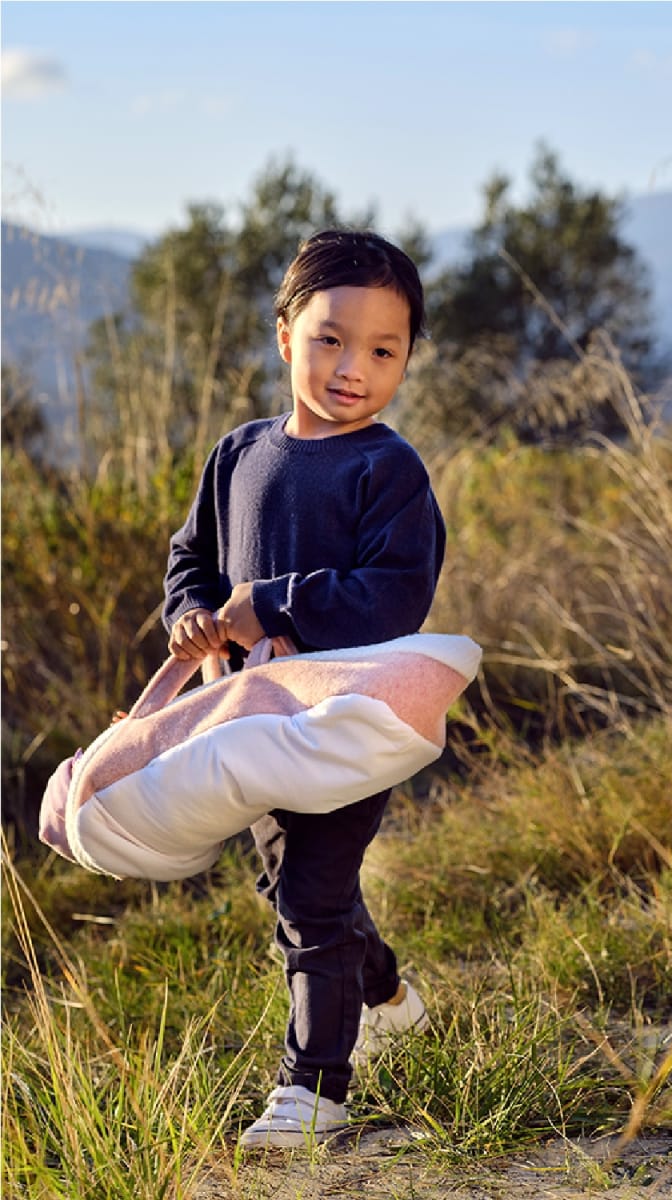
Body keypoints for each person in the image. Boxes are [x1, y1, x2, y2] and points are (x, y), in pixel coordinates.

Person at [162, 229, 447, 1148]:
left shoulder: (389, 470)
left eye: (382, 349)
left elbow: (395, 594)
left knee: (308, 899)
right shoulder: (239, 454)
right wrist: (194, 615)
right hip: (248, 719)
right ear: (285, 334)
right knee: (289, 880)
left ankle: (318, 1085)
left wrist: (268, 604)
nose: (352, 367)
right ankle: (388, 994)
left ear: (406, 358)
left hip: (350, 721)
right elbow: (192, 559)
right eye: (329, 338)